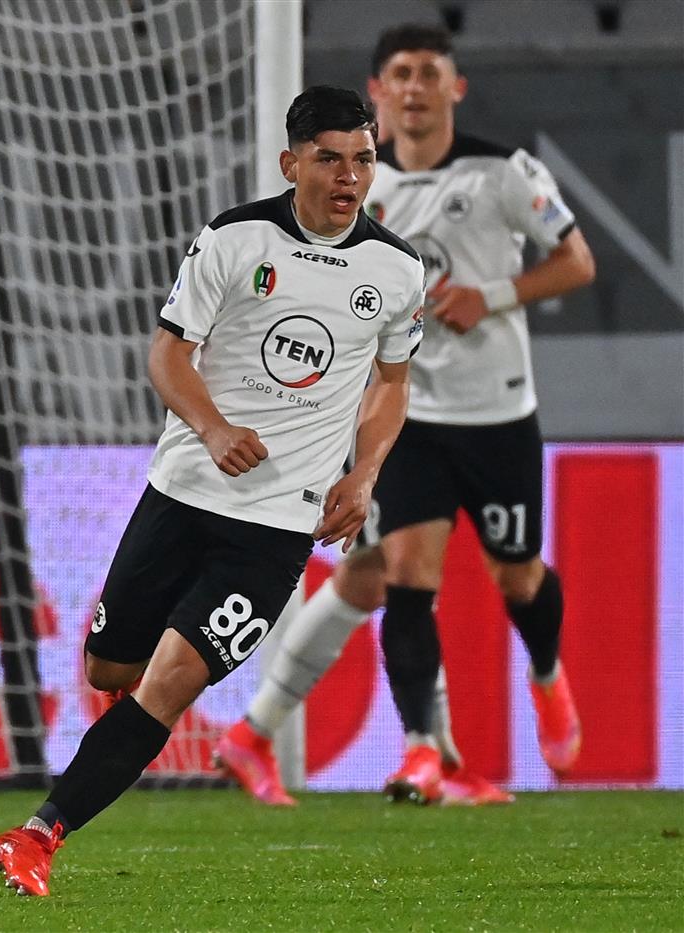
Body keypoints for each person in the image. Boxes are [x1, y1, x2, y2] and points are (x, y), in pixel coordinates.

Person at [0, 86, 424, 897]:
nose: (347, 177)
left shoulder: (396, 269)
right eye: (328, 158)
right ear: (290, 161)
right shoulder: (235, 236)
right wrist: (214, 428)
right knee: (108, 667)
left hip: (277, 527)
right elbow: (166, 355)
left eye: (362, 159)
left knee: (172, 680)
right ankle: (118, 728)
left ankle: (39, 833)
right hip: (185, 490)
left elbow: (391, 383)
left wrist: (363, 474)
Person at [213, 23, 595, 808]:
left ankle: (547, 675)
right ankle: (425, 750)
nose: (415, 88)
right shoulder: (351, 187)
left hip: (499, 414)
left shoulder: (503, 172)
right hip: (404, 415)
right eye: (400, 75)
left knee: (515, 577)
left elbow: (577, 261)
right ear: (379, 92)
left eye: (430, 73)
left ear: (454, 89)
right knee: (401, 577)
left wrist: (487, 297)